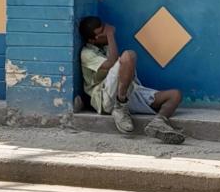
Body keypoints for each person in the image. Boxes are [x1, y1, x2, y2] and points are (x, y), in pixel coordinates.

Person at [79, 16, 185, 144]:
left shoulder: (105, 48)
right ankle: (120, 105)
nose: (106, 34)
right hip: (105, 97)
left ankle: (158, 122)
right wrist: (111, 35)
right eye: (102, 33)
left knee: (175, 95)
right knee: (129, 55)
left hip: (126, 90)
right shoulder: (86, 53)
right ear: (91, 40)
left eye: (105, 30)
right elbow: (111, 63)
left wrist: (107, 37)